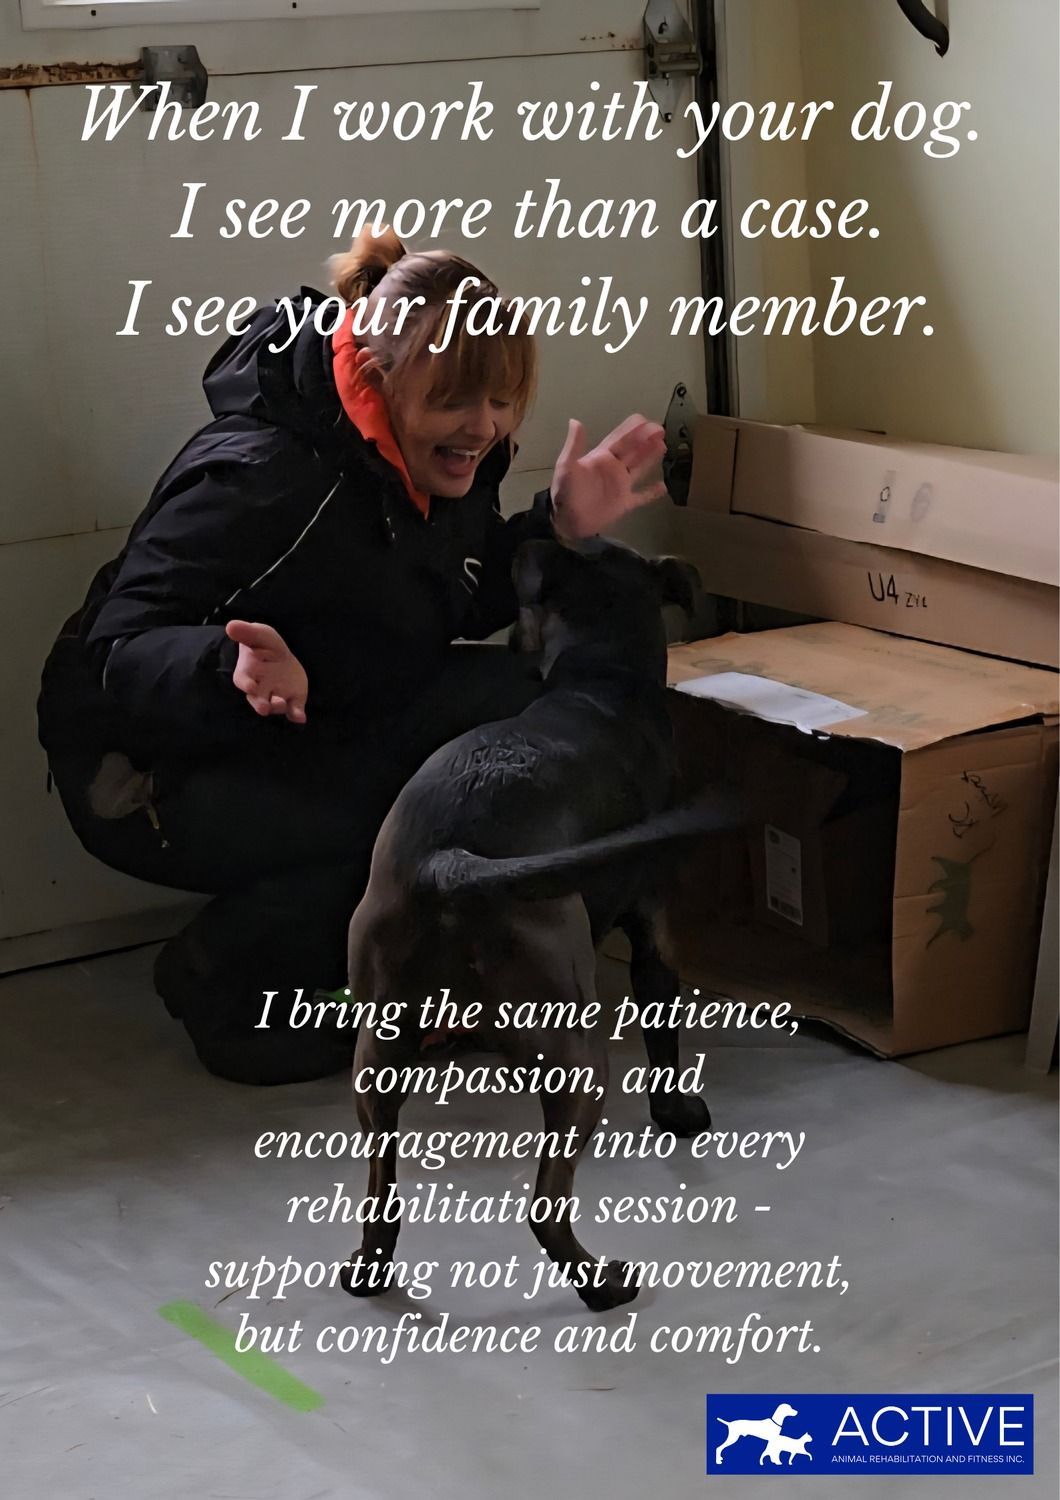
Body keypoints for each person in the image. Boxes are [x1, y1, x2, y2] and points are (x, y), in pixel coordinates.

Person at [37, 228, 667, 1085]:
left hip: (306, 717)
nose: (484, 427)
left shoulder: (435, 457)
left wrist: (556, 527)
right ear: (378, 381)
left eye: (505, 399)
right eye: (458, 400)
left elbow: (447, 589)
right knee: (408, 825)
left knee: (529, 703)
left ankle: (449, 972)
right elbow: (118, 651)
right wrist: (235, 674)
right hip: (144, 769)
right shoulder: (264, 477)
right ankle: (225, 976)